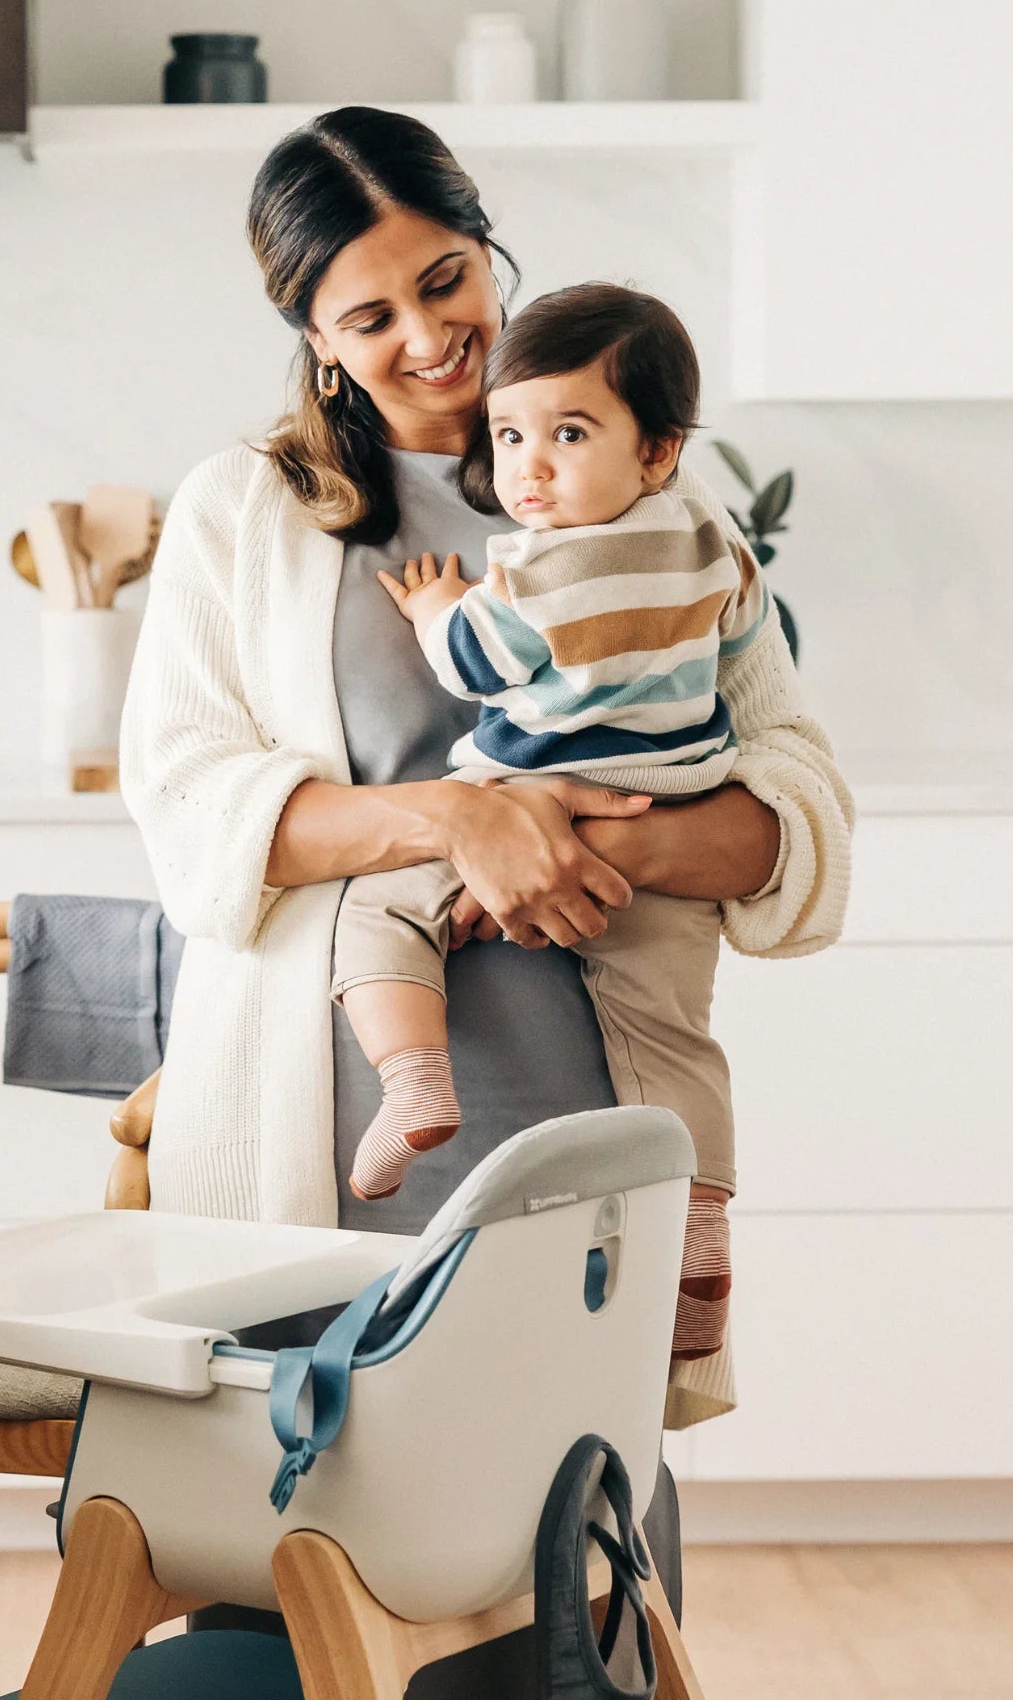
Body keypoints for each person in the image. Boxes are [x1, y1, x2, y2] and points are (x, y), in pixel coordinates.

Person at [120, 105, 852, 1434]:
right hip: (327, 1123)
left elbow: (794, 792)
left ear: (485, 246)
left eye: (445, 280)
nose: (427, 336)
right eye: (370, 317)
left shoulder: (636, 484)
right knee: (297, 1550)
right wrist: (463, 818)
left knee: (570, 1550)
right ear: (314, 340)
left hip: (586, 1100)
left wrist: (602, 845)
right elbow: (188, 806)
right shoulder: (242, 507)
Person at [333, 280, 782, 1367]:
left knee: (378, 916)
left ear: (655, 448)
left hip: (528, 798)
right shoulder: (711, 543)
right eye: (510, 435)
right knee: (673, 1045)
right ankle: (703, 1234)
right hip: (670, 816)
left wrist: (435, 605)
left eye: (565, 435)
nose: (527, 468)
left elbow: (474, 662)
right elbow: (746, 636)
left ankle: (410, 1077)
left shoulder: (533, 568)